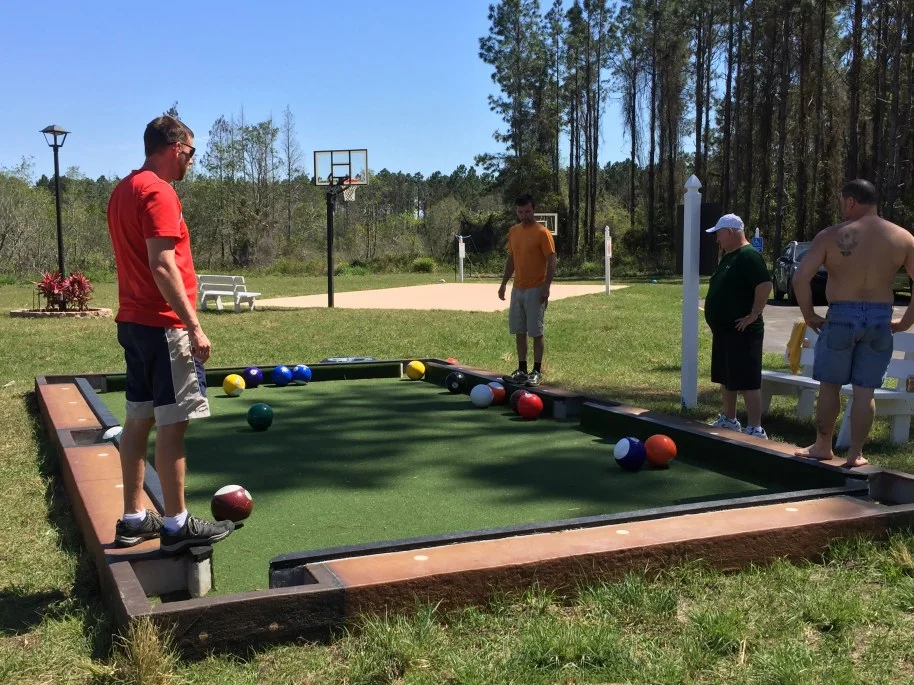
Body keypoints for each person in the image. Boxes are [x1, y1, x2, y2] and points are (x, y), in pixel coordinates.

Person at [107, 115, 234, 553]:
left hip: (133, 322)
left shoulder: (123, 190)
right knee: (173, 424)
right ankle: (177, 525)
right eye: (191, 152)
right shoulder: (159, 191)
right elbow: (162, 264)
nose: (192, 162)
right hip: (163, 324)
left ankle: (133, 518)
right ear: (175, 146)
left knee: (138, 419)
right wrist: (194, 325)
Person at [793, 179, 914, 468]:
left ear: (850, 202)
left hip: (841, 316)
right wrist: (907, 321)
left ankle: (823, 445)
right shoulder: (903, 238)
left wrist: (809, 315)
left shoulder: (830, 236)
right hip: (880, 318)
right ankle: (855, 453)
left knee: (830, 386)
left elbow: (800, 278)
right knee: (865, 391)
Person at [704, 213, 773, 438]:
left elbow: (764, 284)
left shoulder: (749, 256)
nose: (717, 240)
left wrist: (753, 314)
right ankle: (730, 419)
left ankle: (755, 427)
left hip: (743, 331)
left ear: (730, 232)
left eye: (719, 234)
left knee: (747, 379)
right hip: (724, 331)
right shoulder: (729, 257)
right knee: (726, 377)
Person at [498, 194, 557, 387]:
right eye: (521, 212)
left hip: (536, 288)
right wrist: (504, 283)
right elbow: (512, 259)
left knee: (536, 332)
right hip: (518, 289)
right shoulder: (513, 231)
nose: (524, 215)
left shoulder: (542, 232)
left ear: (534, 210)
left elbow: (551, 260)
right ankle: (522, 369)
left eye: (528, 211)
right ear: (517, 211)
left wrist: (546, 287)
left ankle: (536, 371)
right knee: (519, 331)